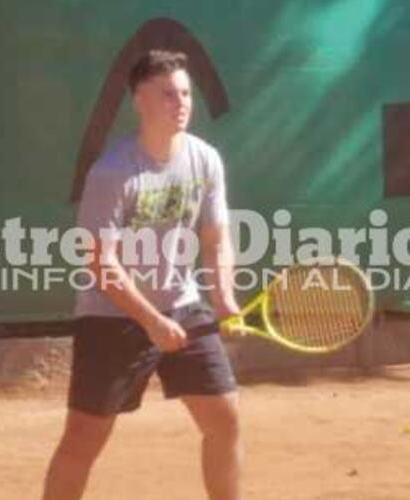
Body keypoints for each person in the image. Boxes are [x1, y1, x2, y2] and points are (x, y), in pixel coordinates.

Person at [42, 50, 242, 500]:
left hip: (184, 306)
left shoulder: (205, 159)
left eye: (186, 93)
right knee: (84, 439)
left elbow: (215, 239)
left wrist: (224, 297)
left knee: (225, 418)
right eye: (168, 94)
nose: (182, 103)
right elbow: (100, 263)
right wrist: (151, 321)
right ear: (139, 101)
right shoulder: (113, 172)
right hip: (112, 316)